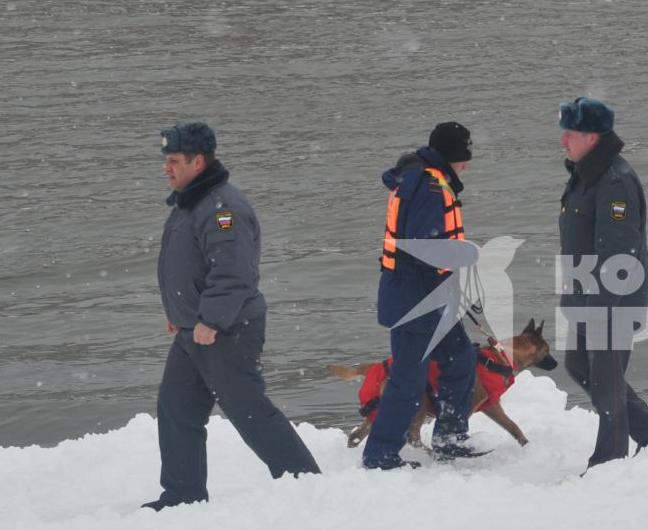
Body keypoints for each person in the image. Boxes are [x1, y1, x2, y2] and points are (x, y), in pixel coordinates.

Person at [146, 122, 321, 510]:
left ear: (198, 161)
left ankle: (306, 484)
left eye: (174, 160)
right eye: (166, 160)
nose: (166, 168)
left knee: (249, 412)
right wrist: (180, 313)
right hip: (194, 331)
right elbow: (187, 267)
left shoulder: (223, 209)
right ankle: (182, 495)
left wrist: (211, 320)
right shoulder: (189, 202)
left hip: (225, 331)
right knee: (176, 409)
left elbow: (233, 273)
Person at [556, 96, 648, 469]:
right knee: (579, 366)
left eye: (570, 133)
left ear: (592, 137)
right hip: (584, 296)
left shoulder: (614, 182)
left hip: (610, 303)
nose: (563, 140)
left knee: (607, 384)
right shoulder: (585, 177)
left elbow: (619, 256)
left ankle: (609, 463)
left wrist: (603, 310)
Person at [362, 122, 482, 469]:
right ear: (450, 155)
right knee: (408, 380)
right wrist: (466, 256)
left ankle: (449, 438)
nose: (467, 164)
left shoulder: (427, 180)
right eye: (463, 156)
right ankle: (380, 455)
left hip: (429, 296)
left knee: (460, 359)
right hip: (415, 299)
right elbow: (423, 248)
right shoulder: (429, 187)